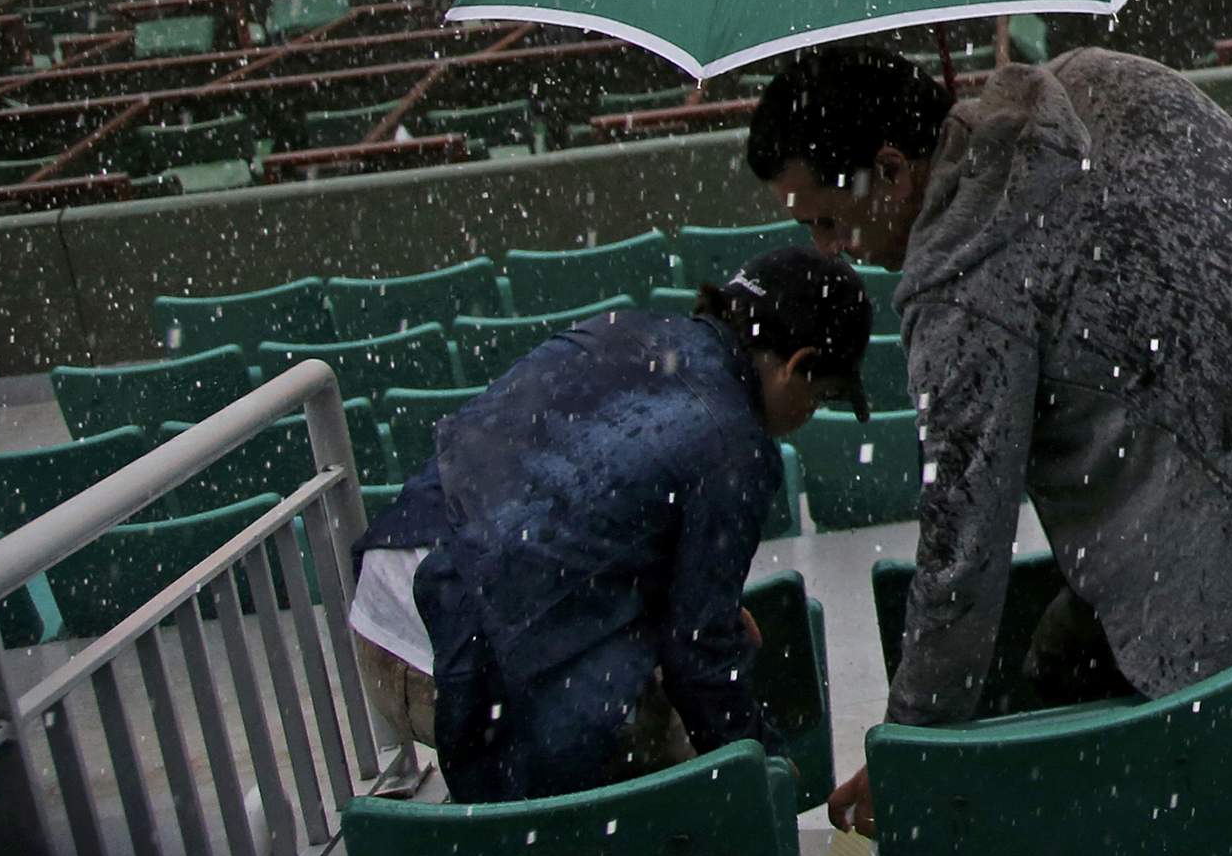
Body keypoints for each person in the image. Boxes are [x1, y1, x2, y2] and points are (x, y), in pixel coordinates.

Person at [747, 40, 1232, 856]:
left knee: (1083, 655)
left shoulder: (958, 292)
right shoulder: (1106, 77)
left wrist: (910, 748)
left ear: (891, 167)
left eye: (828, 219)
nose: (830, 248)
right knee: (1225, 606)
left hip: (1221, 488)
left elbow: (962, 553)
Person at [352, 247, 871, 804]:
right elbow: (700, 654)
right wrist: (766, 767)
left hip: (380, 599)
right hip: (448, 646)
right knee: (684, 770)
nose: (809, 415)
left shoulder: (621, 330)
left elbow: (544, 502)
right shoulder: (736, 444)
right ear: (798, 364)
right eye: (822, 397)